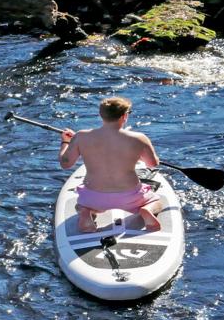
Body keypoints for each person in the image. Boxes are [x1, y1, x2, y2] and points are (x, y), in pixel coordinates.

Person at [61, 97, 166, 233]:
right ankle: (146, 209)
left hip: (94, 196)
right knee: (156, 201)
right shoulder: (139, 138)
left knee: (80, 206)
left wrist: (66, 142)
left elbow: (66, 164)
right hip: (130, 196)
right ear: (125, 116)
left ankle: (86, 211)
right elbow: (152, 164)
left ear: (101, 115)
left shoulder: (81, 137)